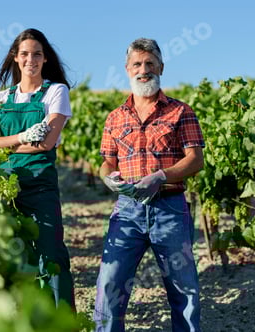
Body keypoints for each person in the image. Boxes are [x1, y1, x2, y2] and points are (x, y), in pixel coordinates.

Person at [93, 38, 205, 331]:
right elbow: (107, 162)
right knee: (110, 283)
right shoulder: (115, 118)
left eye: (150, 64)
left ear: (161, 68)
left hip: (169, 209)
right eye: (137, 64)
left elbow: (195, 160)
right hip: (127, 211)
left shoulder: (181, 112)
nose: (144, 70)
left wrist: (162, 176)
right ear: (128, 70)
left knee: (184, 290)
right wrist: (108, 177)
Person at [0, 28, 75, 310]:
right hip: (3, 188)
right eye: (25, 54)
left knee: (51, 255)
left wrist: (2, 146)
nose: (31, 59)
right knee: (10, 258)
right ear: (15, 58)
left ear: (45, 59)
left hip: (39, 184)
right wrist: (21, 138)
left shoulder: (56, 91)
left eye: (37, 54)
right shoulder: (1, 98)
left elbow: (46, 143)